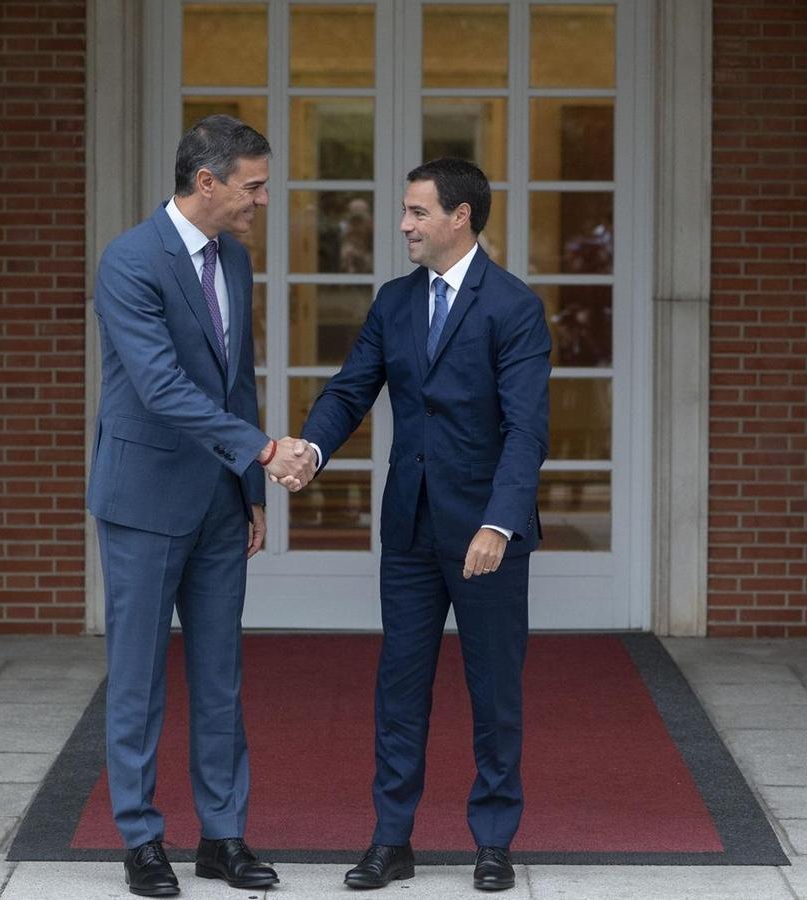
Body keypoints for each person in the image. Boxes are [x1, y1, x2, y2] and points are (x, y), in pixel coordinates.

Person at [300, 157, 552, 892]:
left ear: (459, 217)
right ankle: (391, 840)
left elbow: (526, 432)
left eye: (416, 212)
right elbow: (351, 390)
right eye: (405, 211)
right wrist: (309, 449)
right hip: (409, 530)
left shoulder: (513, 307)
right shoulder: (394, 302)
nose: (403, 225)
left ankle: (495, 841)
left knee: (494, 691)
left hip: (486, 537)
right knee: (399, 688)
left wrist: (499, 525)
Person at [88, 114, 315, 898]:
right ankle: (141, 840)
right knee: (140, 678)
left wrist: (250, 491)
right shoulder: (129, 262)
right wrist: (261, 450)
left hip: (220, 502)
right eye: (253, 186)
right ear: (207, 182)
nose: (261, 200)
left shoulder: (237, 262)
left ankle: (222, 837)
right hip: (145, 499)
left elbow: (234, 378)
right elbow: (159, 387)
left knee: (220, 676)